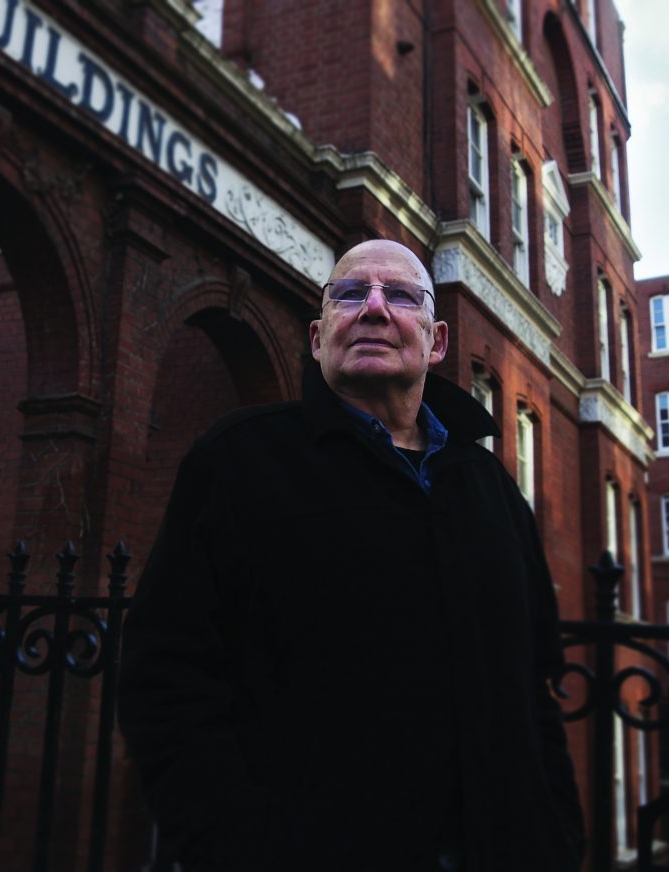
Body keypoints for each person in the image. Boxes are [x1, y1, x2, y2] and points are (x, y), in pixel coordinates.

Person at [118, 239, 586, 871]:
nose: (373, 308)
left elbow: (535, 687)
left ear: (437, 341)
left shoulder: (493, 488)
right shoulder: (239, 461)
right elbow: (164, 679)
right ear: (318, 338)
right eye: (349, 293)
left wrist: (558, 840)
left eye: (400, 295)